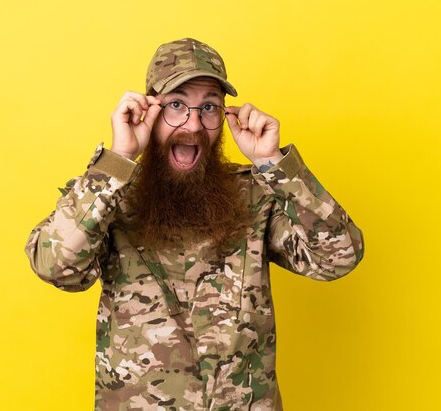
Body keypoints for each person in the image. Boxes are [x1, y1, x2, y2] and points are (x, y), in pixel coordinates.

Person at [24, 37, 364, 411]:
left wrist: (274, 164)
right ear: (148, 112)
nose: (194, 123)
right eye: (175, 105)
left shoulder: (257, 194)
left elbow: (337, 258)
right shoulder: (107, 194)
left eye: (209, 107)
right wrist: (118, 159)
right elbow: (55, 266)